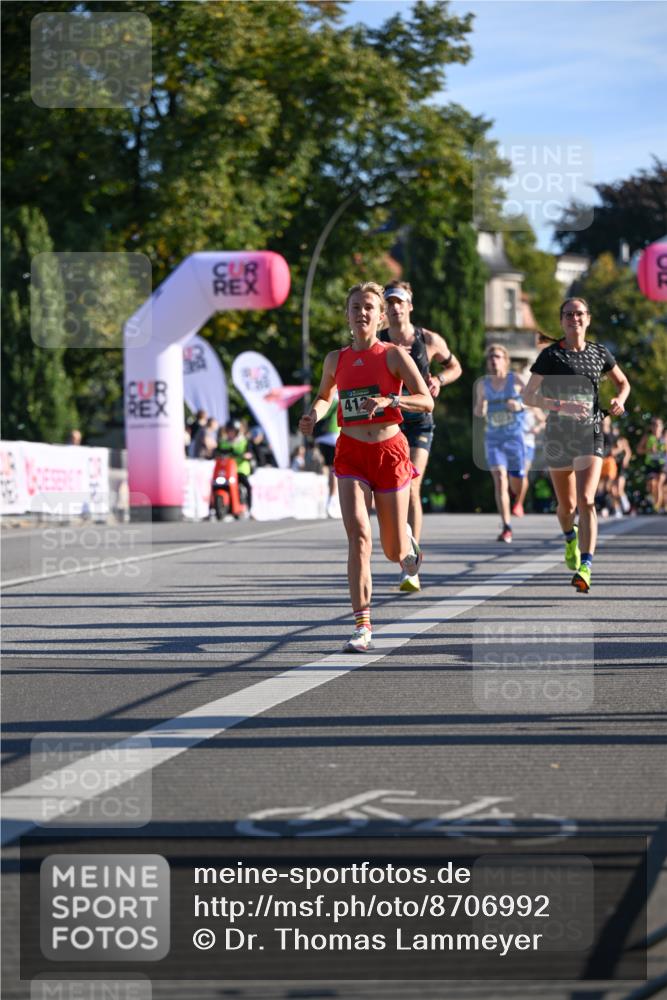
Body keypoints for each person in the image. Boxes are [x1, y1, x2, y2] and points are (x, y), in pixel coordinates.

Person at [298, 281, 433, 653]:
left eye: (369, 307)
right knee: (359, 536)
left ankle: (406, 544)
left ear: (380, 316)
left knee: (392, 552)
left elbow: (426, 400)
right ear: (347, 314)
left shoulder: (393, 355)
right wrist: (313, 414)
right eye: (355, 306)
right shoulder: (335, 359)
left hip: (389, 453)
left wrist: (392, 399)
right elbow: (326, 396)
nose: (362, 313)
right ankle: (363, 625)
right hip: (352, 454)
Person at [523, 297, 630, 592]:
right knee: (567, 506)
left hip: (590, 432)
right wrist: (560, 405)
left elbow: (623, 383)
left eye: (580, 313)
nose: (574, 318)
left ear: (588, 318)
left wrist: (619, 401)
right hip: (558, 435)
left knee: (586, 500)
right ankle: (569, 538)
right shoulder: (550, 356)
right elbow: (528, 396)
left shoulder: (599, 352)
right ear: (562, 321)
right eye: (568, 314)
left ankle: (586, 566)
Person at [380, 281, 462, 591]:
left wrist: (440, 379)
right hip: (390, 422)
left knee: (412, 485)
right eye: (389, 303)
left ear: (410, 306)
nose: (395, 307)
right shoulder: (379, 341)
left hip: (419, 423)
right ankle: (404, 544)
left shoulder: (427, 339)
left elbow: (456, 367)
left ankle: (410, 564)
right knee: (392, 490)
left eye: (400, 302)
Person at [474, 344, 528, 543]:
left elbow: (534, 399)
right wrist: (481, 406)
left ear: (505, 360)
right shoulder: (483, 384)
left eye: (497, 357)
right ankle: (506, 526)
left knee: (517, 481)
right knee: (500, 478)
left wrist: (520, 405)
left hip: (514, 438)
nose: (494, 360)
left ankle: (518, 500)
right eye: (490, 358)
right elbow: (478, 413)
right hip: (494, 438)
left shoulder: (516, 380)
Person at [637, 416, 665, 513]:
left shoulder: (665, 437)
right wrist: (649, 450)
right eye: (654, 425)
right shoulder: (647, 437)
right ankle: (656, 504)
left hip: (662, 464)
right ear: (651, 427)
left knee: (660, 483)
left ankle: (658, 507)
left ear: (661, 426)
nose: (656, 427)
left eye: (658, 425)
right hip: (651, 464)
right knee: (653, 484)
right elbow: (639, 450)